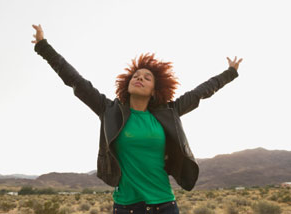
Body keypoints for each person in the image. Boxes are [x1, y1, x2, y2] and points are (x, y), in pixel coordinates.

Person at [32, 24, 242, 214]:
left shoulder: (169, 112)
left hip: (164, 205)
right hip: (126, 207)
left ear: (154, 90)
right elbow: (75, 80)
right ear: (127, 84)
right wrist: (44, 47)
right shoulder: (109, 110)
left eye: (147, 77)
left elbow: (201, 92)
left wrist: (230, 72)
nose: (139, 77)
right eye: (136, 76)